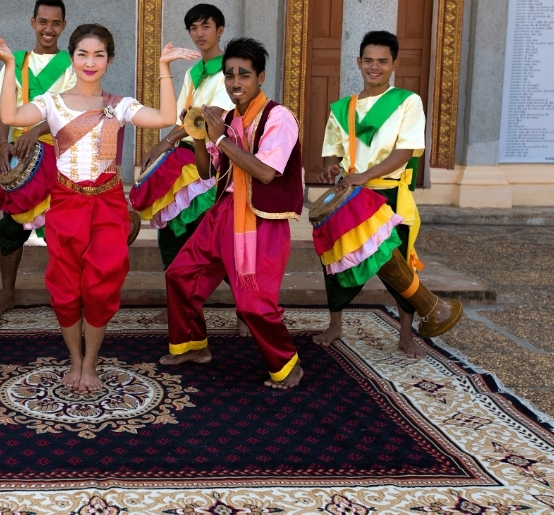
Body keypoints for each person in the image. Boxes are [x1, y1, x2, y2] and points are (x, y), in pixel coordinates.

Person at [0, 24, 185, 392]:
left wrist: (165, 67)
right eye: (83, 54)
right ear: (71, 58)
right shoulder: (52, 103)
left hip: (107, 205)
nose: (90, 62)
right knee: (66, 289)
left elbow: (167, 118)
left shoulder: (118, 105)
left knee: (101, 288)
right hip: (67, 204)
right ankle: (75, 360)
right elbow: (9, 116)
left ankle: (90, 364)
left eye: (98, 55)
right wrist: (9, 67)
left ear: (109, 60)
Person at [160, 37, 304, 390]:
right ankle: (193, 346)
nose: (235, 82)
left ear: (260, 78)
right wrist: (197, 134)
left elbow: (266, 173)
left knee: (254, 303)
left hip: (261, 218)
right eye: (229, 75)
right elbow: (207, 172)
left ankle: (287, 365)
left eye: (244, 75)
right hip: (224, 211)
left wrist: (220, 139)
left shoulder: (278, 117)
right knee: (180, 274)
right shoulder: (225, 119)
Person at [312, 30, 443, 359]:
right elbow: (333, 151)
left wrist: (364, 176)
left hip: (389, 196)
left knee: (400, 266)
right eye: (368, 60)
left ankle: (405, 336)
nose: (375, 67)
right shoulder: (342, 108)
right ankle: (335, 325)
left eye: (382, 61)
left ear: (394, 64)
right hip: (350, 198)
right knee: (337, 261)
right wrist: (330, 168)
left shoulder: (408, 102)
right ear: (358, 62)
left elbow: (405, 152)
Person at [133, 4, 242, 331]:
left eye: (206, 26)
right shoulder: (193, 72)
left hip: (213, 163)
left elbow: (208, 116)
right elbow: (184, 117)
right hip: (186, 161)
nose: (199, 33)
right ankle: (177, 306)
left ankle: (246, 309)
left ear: (220, 30)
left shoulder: (230, 70)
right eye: (193, 27)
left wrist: (165, 141)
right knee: (170, 233)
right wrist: (168, 143)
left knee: (211, 242)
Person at [0, 0, 76, 318]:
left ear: (63, 26)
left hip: (60, 155)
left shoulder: (73, 65)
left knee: (61, 229)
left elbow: (74, 111)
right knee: (11, 227)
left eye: (55, 23)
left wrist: (36, 131)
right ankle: (7, 294)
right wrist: (3, 143)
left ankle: (65, 296)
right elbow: (2, 106)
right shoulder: (17, 62)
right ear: (33, 22)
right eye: (43, 22)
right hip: (21, 157)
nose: (48, 29)